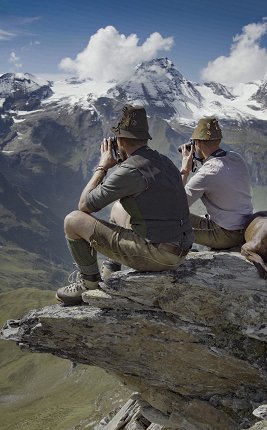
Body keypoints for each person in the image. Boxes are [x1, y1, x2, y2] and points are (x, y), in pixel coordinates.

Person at [56, 105, 194, 305]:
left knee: (73, 221)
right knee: (118, 208)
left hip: (159, 256)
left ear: (120, 140)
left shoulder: (130, 170)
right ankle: (111, 271)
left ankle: (89, 283)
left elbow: (85, 205)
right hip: (180, 249)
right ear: (145, 139)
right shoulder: (164, 161)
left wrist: (103, 165)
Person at [179, 116, 253, 250]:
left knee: (170, 219)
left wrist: (185, 170)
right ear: (218, 140)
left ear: (198, 144)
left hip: (225, 235)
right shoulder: (236, 158)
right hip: (246, 228)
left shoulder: (207, 172)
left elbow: (176, 205)